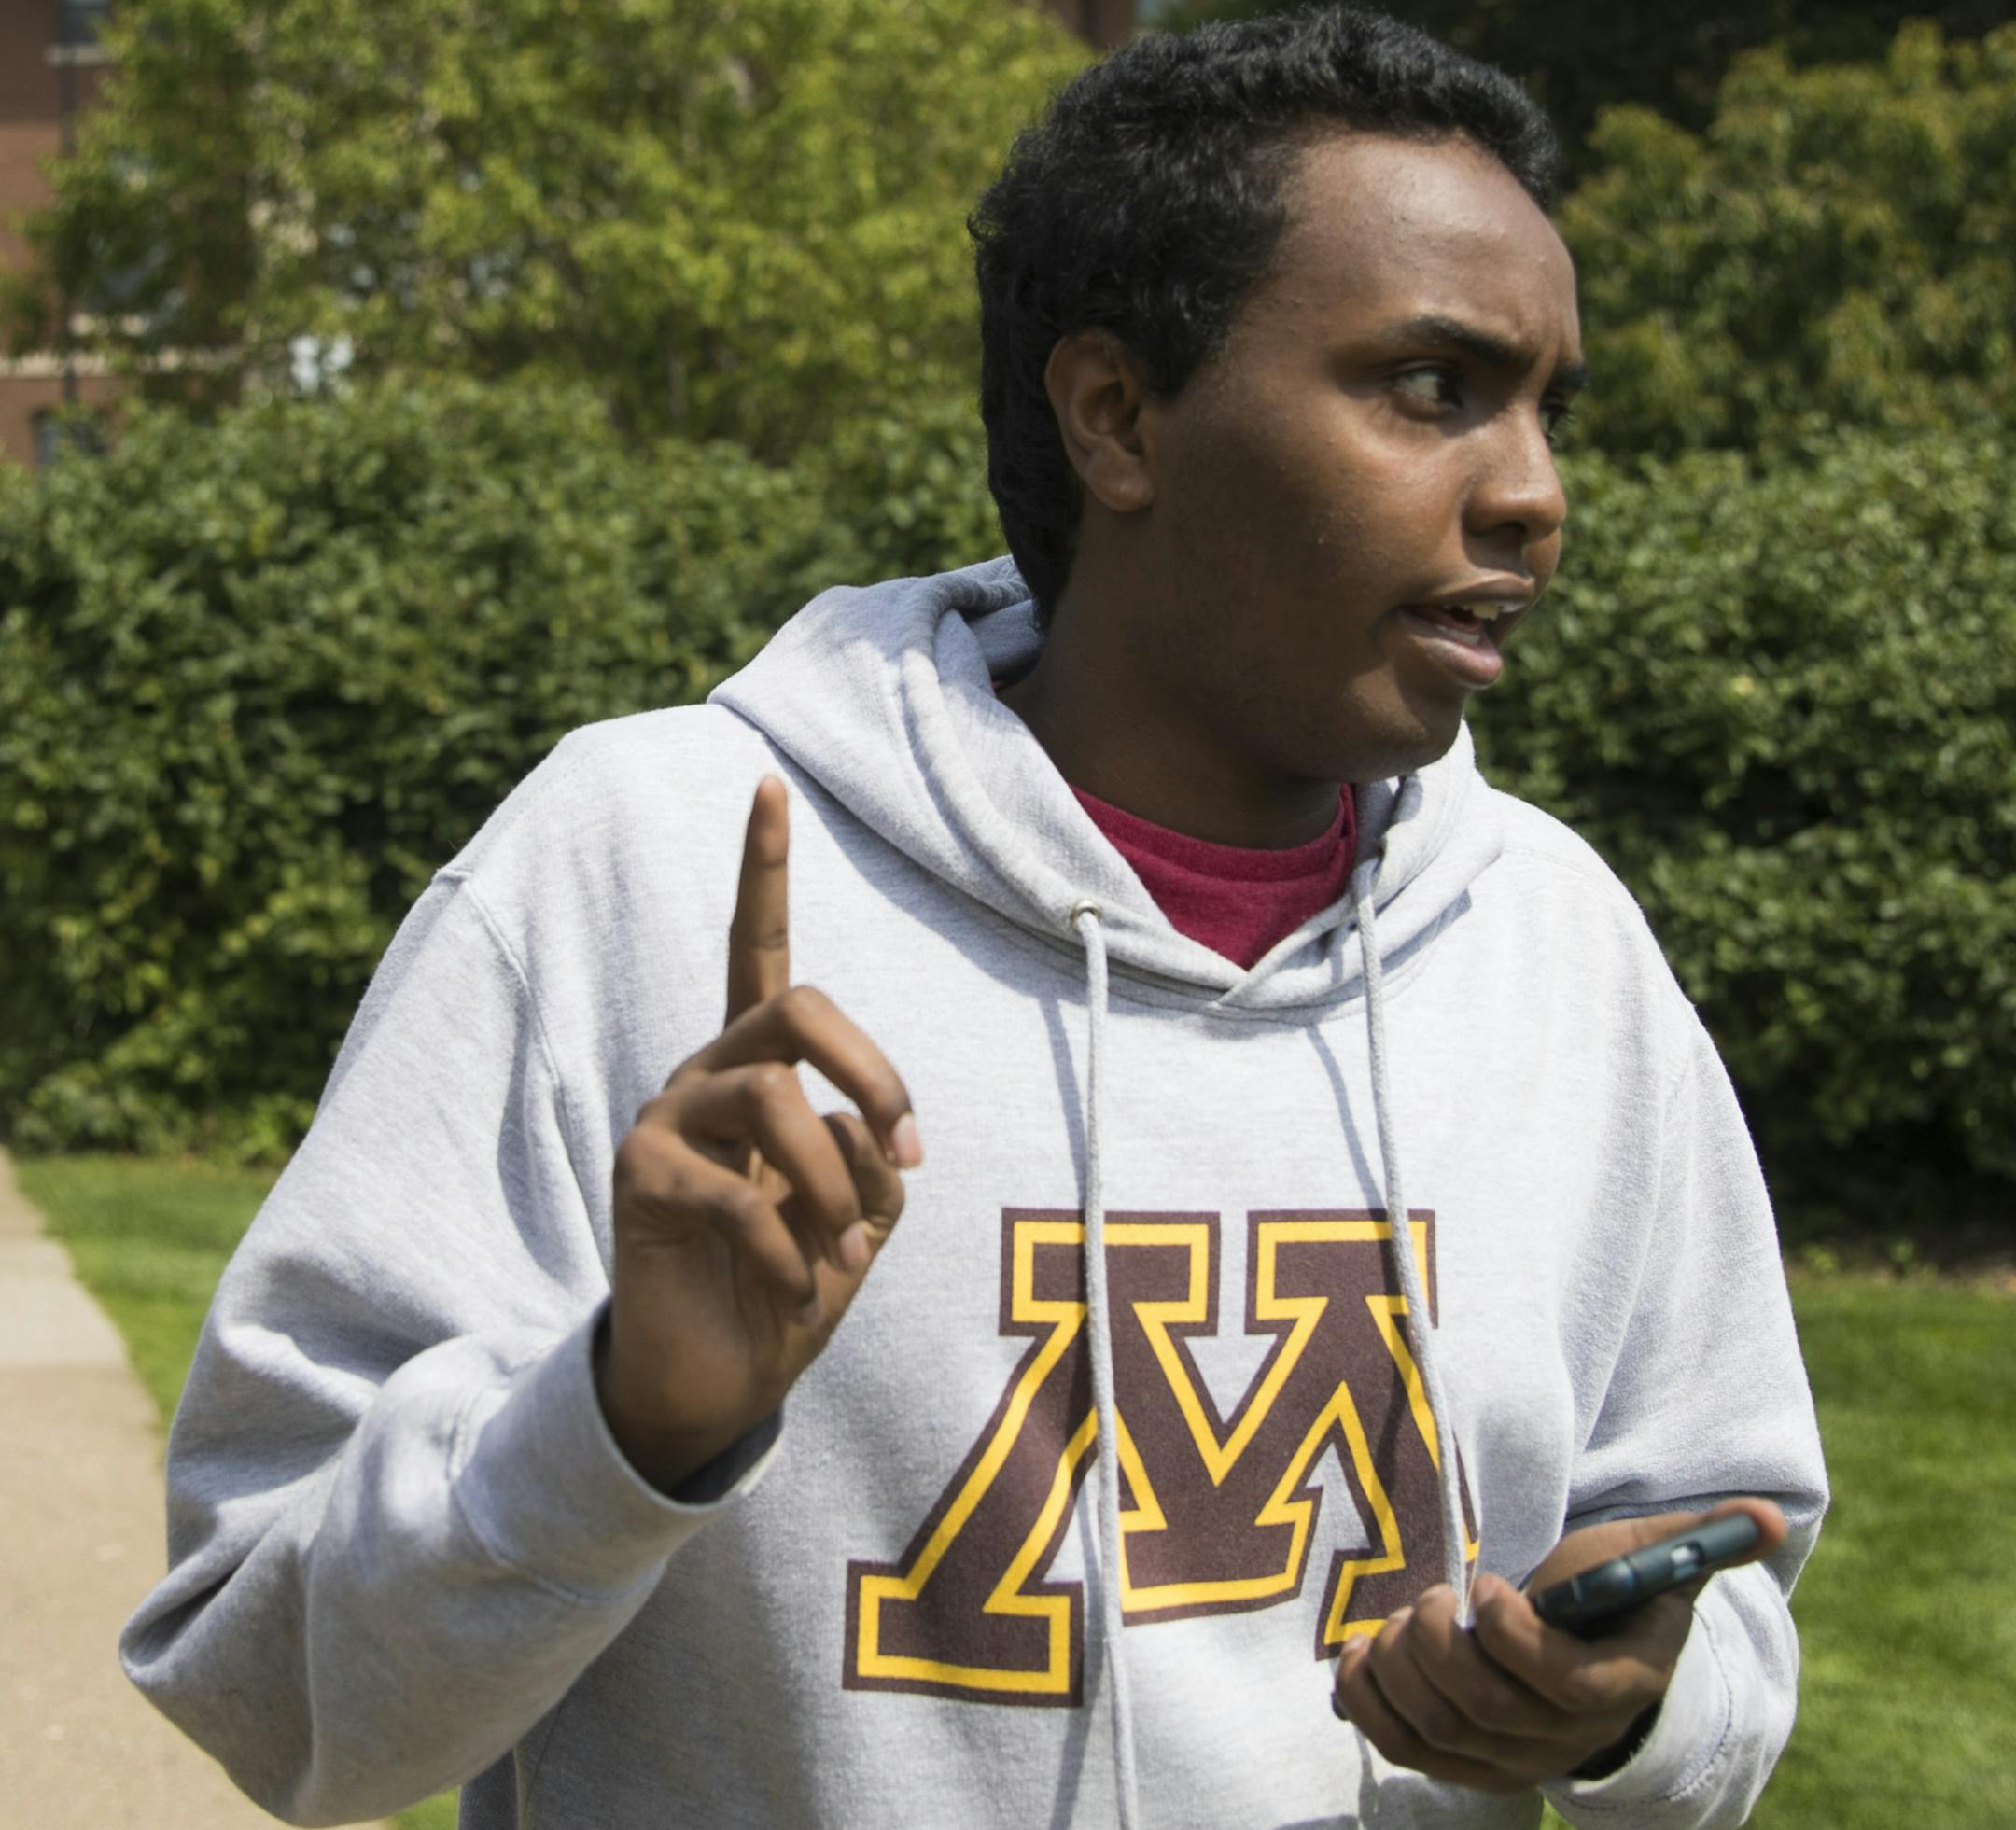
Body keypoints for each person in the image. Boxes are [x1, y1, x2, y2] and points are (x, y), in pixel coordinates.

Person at [122, 8, 1827, 1827]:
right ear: (1116, 415)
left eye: (1545, 407)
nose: (1535, 496)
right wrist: (625, 1425)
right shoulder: (647, 870)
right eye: (1432, 386)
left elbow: (1726, 1624)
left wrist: (1618, 1708)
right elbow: (270, 1698)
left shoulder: (1558, 952)